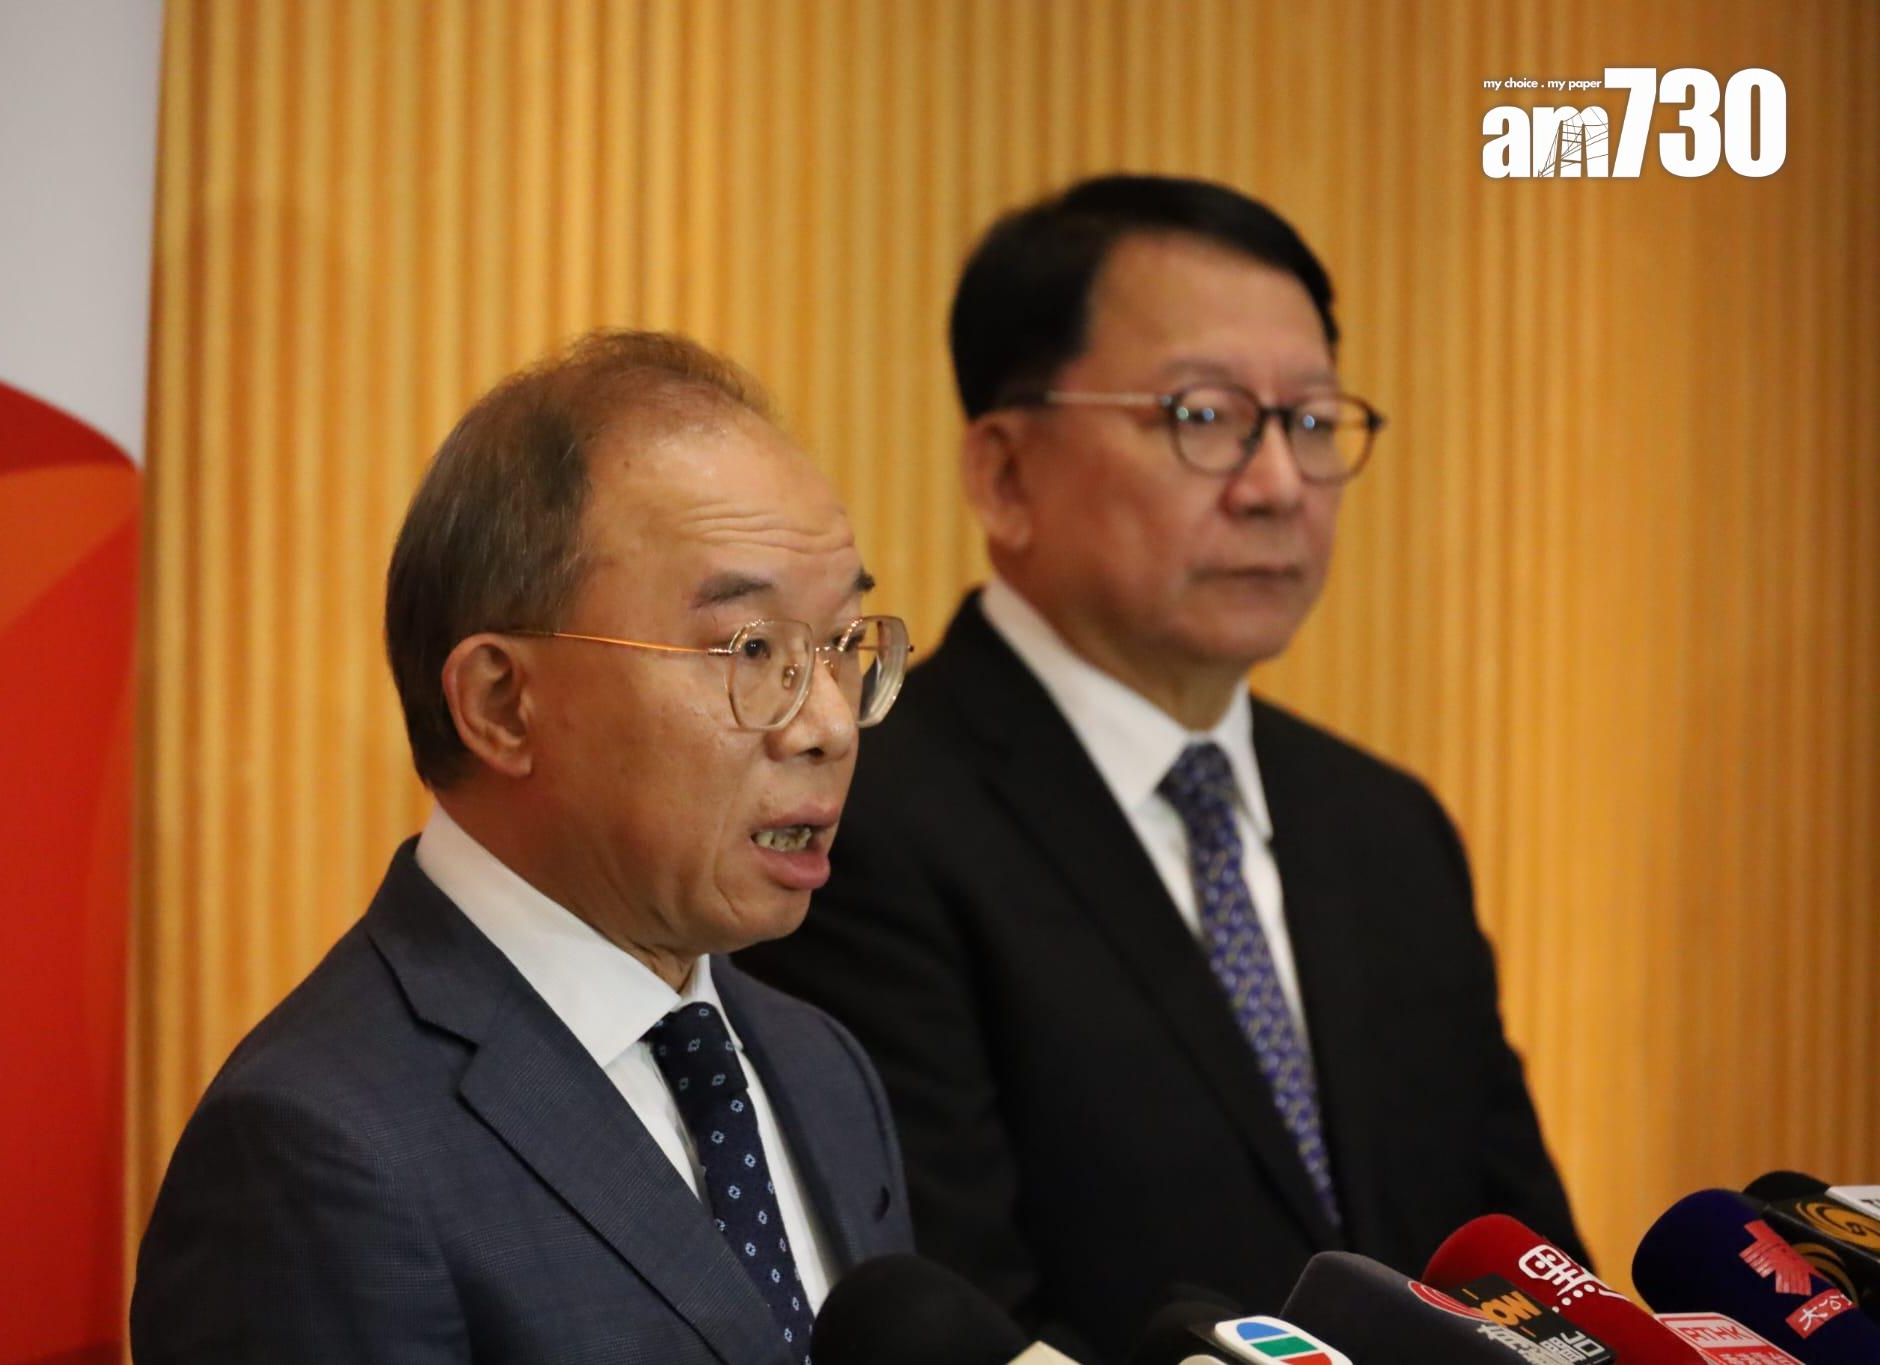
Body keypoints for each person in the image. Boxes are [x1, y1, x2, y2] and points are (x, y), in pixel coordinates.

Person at [736, 175, 1586, 1363]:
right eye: (1203, 416)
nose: (1276, 485)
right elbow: (947, 1307)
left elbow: (1534, 1279)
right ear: (1004, 474)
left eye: (1308, 422)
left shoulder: (1387, 831)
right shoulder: (862, 816)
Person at [132, 331, 917, 1364]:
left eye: (843, 645)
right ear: (502, 704)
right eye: (750, 648)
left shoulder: (823, 1069)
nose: (828, 725)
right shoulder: (315, 1148)